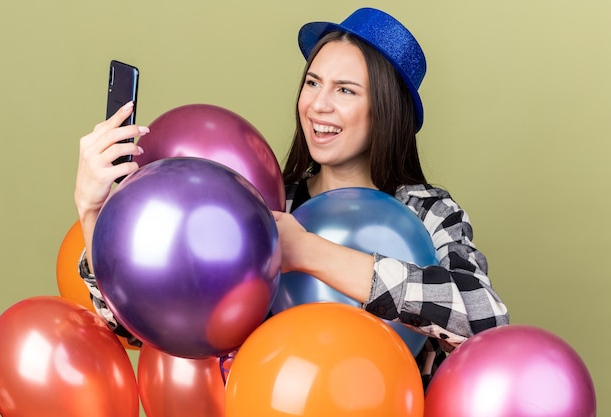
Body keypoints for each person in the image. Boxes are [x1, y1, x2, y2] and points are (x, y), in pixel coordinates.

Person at [75, 7, 509, 387]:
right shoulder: (261, 204)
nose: (318, 105)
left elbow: (485, 319)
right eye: (313, 83)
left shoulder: (426, 211)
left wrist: (308, 252)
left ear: (386, 108)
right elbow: (135, 324)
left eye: (345, 90)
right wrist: (93, 209)